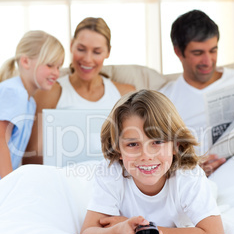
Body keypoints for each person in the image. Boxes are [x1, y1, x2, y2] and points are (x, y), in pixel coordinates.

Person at [80, 90, 224, 234]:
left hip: (196, 190)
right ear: (118, 150)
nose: (146, 155)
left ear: (176, 145)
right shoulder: (111, 172)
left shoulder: (188, 176)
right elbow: (88, 230)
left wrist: (146, 230)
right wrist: (118, 230)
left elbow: (214, 233)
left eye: (157, 142)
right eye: (133, 144)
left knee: (210, 188)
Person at [160, 9, 234, 175]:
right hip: (199, 176)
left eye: (213, 50)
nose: (208, 61)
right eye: (198, 53)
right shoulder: (165, 99)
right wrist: (192, 169)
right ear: (178, 52)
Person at [23, 17, 135, 164]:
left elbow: (137, 144)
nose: (87, 59)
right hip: (64, 176)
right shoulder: (50, 92)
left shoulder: (125, 93)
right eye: (81, 49)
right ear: (71, 46)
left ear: (108, 52)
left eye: (97, 52)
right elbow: (31, 156)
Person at [0, 30, 64, 179]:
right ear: (25, 61)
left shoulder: (30, 102)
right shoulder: (16, 92)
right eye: (50, 65)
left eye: (58, 67)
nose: (56, 73)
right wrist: (8, 188)